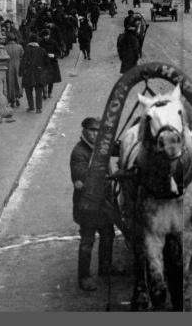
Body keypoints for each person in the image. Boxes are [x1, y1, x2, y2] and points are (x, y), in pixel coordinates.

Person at [70, 117, 122, 291]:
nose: (95, 134)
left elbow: (118, 149)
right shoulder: (79, 152)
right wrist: (112, 177)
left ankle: (105, 268)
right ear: (84, 130)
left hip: (105, 202)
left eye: (98, 131)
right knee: (87, 242)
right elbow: (84, 175)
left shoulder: (102, 147)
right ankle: (84, 277)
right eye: (92, 131)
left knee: (108, 236)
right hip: (88, 204)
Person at [20, 35, 47, 113]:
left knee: (28, 91)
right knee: (39, 91)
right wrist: (43, 69)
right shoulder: (42, 50)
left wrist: (21, 73)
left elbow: (23, 63)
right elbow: (47, 62)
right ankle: (39, 108)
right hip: (39, 73)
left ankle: (31, 106)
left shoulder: (27, 50)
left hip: (29, 73)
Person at [39, 29, 62, 100]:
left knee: (51, 79)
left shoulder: (53, 42)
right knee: (43, 78)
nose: (46, 37)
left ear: (49, 35)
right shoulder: (41, 43)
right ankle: (45, 93)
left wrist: (54, 55)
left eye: (47, 35)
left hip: (52, 63)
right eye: (44, 36)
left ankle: (49, 92)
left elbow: (58, 52)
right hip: (44, 63)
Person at [3, 32, 24, 108]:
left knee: (10, 83)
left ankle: (12, 100)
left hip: (8, 66)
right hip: (18, 66)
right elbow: (22, 57)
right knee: (18, 82)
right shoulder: (19, 47)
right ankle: (18, 97)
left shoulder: (4, 48)